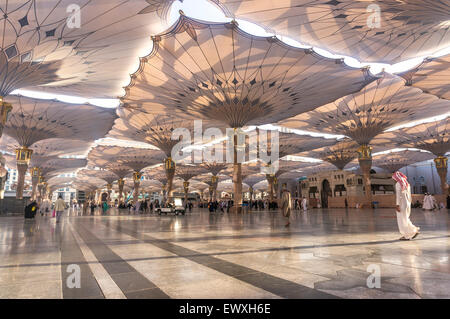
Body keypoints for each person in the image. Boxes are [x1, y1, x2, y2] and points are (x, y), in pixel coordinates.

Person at [392, 171, 420, 240]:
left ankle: (407, 235)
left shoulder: (398, 184)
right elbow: (409, 195)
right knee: (406, 218)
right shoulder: (407, 183)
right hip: (407, 203)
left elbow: (398, 195)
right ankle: (413, 230)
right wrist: (410, 202)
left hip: (402, 204)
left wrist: (397, 205)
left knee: (402, 220)